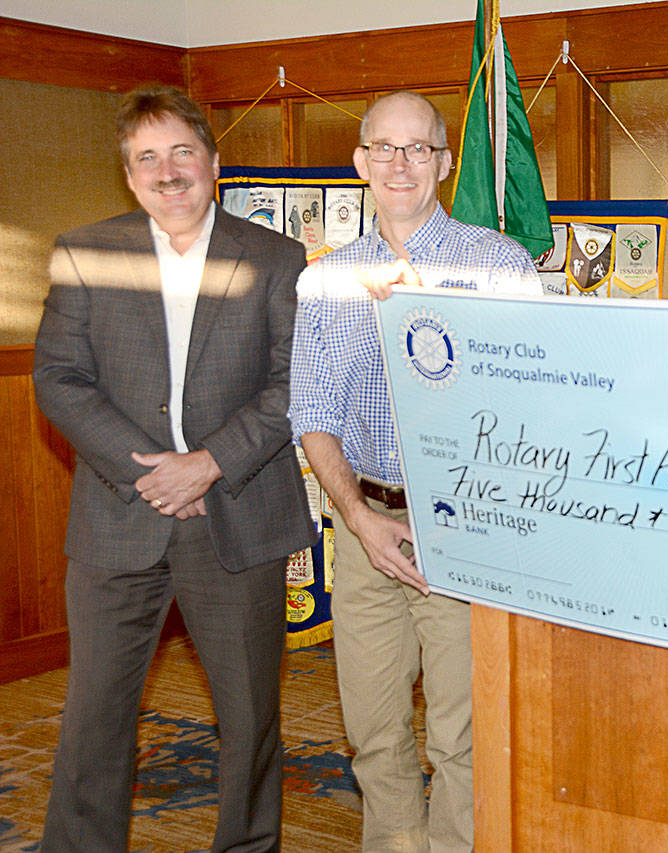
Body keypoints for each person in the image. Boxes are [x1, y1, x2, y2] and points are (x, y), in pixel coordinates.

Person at [32, 85, 315, 852]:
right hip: (119, 518)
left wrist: (209, 463)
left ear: (213, 163)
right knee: (94, 715)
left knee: (250, 716)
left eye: (182, 151)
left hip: (240, 515)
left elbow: (295, 381)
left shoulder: (277, 256)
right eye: (148, 157)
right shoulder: (85, 251)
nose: (168, 171)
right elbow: (58, 378)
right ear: (129, 176)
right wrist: (155, 473)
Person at [289, 91, 541, 852]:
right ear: (361, 162)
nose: (400, 164)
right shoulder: (326, 279)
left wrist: (459, 515)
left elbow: (527, 407)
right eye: (385, 148)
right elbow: (312, 413)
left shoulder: (499, 266)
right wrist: (360, 520)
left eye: (418, 148)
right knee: (373, 732)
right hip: (364, 529)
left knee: (463, 739)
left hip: (463, 533)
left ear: (445, 161)